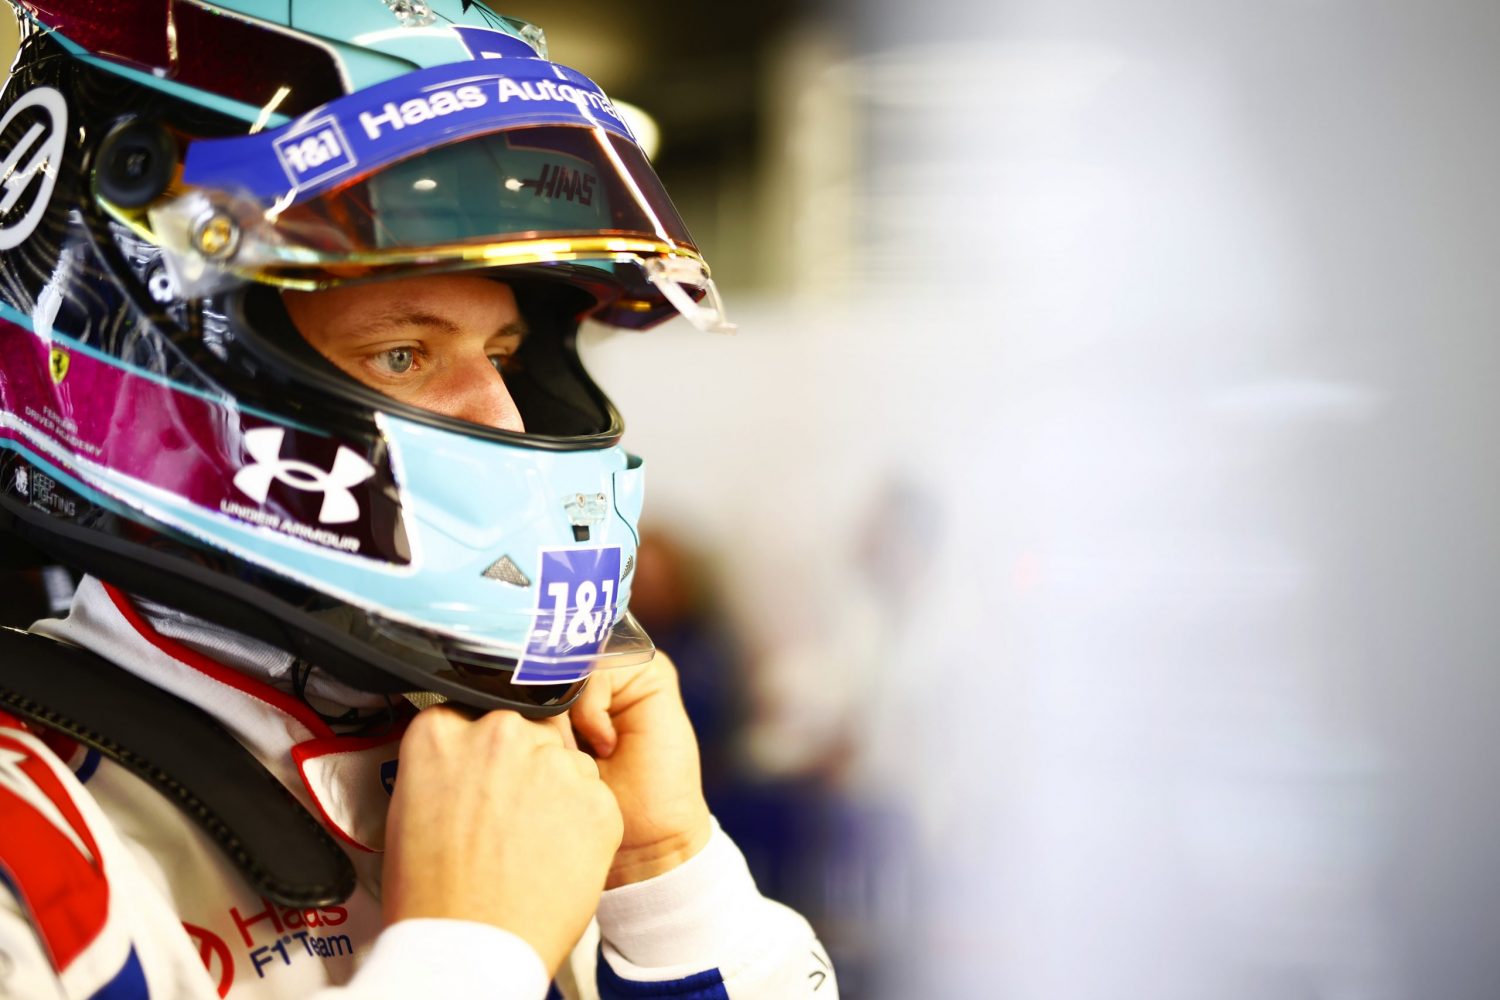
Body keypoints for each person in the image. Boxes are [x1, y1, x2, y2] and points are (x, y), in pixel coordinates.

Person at [0, 3, 835, 998]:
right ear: (173, 369)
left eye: (504, 357)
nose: (507, 420)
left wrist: (666, 881)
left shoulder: (556, 785)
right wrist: (465, 956)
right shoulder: (38, 847)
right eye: (403, 353)